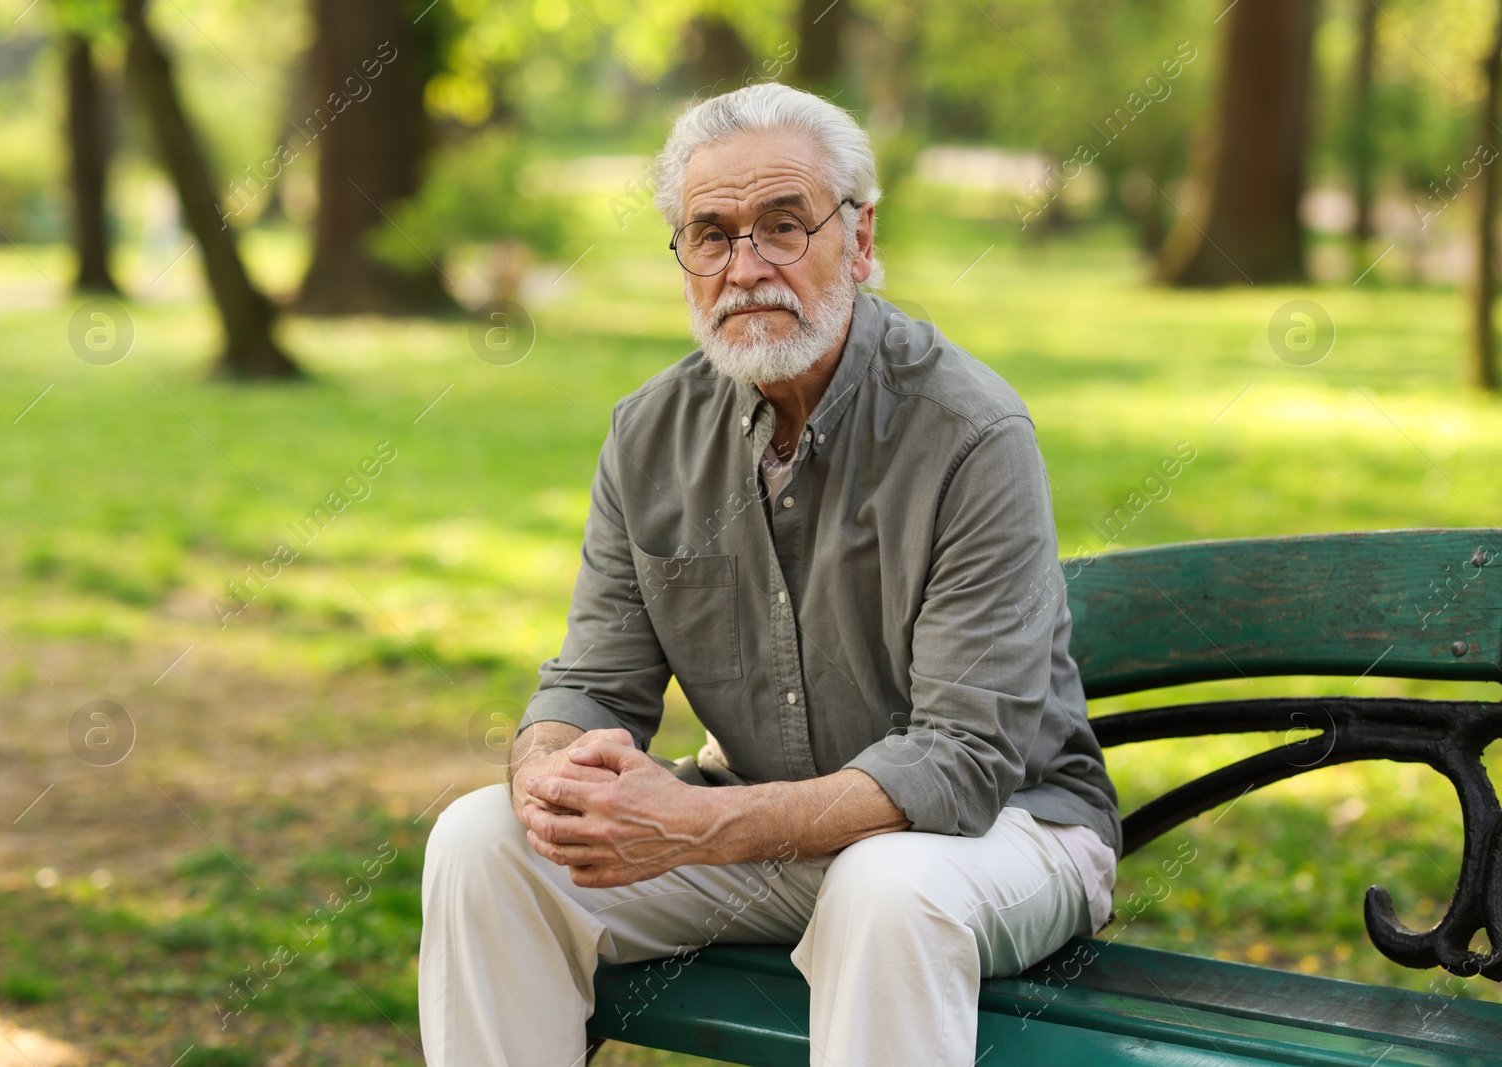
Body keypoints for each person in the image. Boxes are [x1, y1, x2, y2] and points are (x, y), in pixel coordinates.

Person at [418, 81, 1122, 1067]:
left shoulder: (970, 432)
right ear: (683, 258)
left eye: (782, 225)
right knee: (481, 841)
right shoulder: (648, 433)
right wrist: (550, 771)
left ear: (861, 238)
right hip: (756, 833)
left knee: (884, 888)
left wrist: (697, 822)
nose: (745, 266)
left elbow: (963, 762)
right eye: (711, 234)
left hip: (1004, 836)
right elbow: (592, 683)